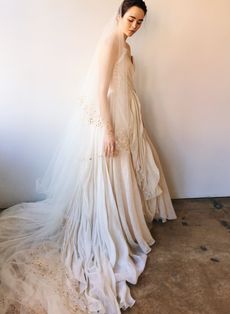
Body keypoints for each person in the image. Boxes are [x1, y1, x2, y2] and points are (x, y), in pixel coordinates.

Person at [0, 1, 177, 313]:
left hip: (126, 119)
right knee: (109, 174)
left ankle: (121, 223)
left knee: (125, 175)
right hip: (109, 122)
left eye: (140, 22)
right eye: (132, 19)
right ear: (120, 15)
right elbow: (100, 90)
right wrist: (108, 130)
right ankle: (109, 227)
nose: (135, 26)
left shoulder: (124, 43)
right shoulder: (110, 41)